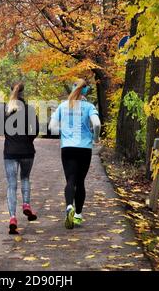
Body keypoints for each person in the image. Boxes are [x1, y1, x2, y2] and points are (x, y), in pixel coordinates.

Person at [49, 79, 101, 229]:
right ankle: (78, 215)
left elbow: (52, 127)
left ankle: (68, 207)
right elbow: (97, 124)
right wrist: (95, 138)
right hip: (85, 148)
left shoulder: (62, 106)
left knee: (70, 180)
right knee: (81, 181)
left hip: (68, 148)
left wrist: (65, 134)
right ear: (85, 91)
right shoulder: (89, 107)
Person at [0, 82, 39, 234]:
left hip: (10, 152)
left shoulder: (5, 110)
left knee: (11, 185)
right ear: (23, 92)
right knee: (25, 178)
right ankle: (26, 205)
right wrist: (27, 139)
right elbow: (36, 131)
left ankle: (13, 217)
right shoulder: (30, 110)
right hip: (27, 151)